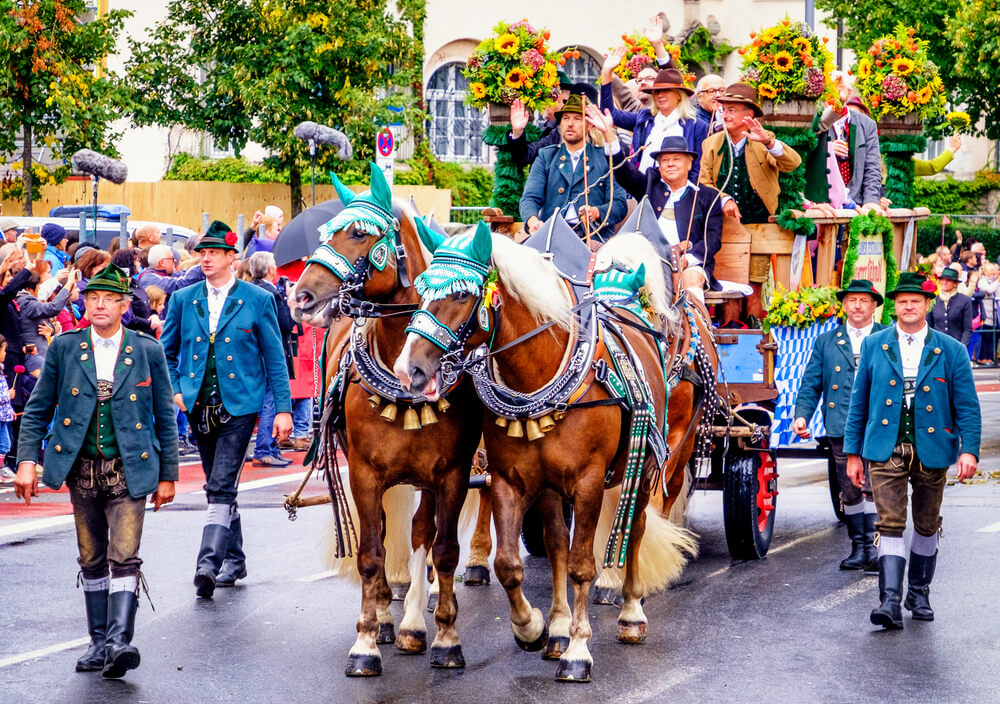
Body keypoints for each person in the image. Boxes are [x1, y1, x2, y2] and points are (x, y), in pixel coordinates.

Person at [13, 263, 177, 677]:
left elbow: (164, 415)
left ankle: (120, 642)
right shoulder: (67, 347)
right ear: (84, 303)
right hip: (79, 467)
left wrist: (168, 475)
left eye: (108, 300)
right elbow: (36, 411)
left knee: (124, 556)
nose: (99, 305)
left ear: (124, 305)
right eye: (92, 299)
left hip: (130, 468)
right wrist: (27, 462)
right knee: (91, 558)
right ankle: (98, 641)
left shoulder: (146, 349)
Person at [160, 221, 292, 597]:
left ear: (232, 258)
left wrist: (283, 409)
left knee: (219, 485)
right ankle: (235, 559)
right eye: (202, 252)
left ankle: (208, 564)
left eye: (214, 253)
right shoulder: (184, 299)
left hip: (241, 405)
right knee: (220, 486)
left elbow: (275, 359)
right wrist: (177, 392)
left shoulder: (257, 299)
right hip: (198, 404)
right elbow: (165, 353)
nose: (205, 258)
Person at [844, 271, 980, 629]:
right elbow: (859, 402)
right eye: (902, 301)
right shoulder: (875, 345)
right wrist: (853, 453)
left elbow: (967, 405)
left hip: (932, 448)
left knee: (926, 524)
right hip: (884, 447)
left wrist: (970, 450)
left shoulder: (951, 350)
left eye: (915, 301)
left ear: (926, 305)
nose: (908, 306)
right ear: (894, 306)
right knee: (889, 523)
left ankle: (918, 592)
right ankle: (889, 602)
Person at [793, 280, 886, 571]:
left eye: (863, 300)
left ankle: (877, 548)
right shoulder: (827, 340)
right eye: (851, 300)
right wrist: (802, 416)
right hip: (841, 427)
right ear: (844, 305)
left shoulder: (889, 336)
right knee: (850, 489)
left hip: (881, 426)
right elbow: (811, 382)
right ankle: (859, 547)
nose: (857, 306)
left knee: (877, 487)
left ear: (874, 305)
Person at [588, 106, 723, 298]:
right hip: (648, 260)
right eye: (664, 160)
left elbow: (712, 240)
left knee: (692, 279)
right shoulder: (649, 185)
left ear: (689, 164)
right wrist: (609, 136)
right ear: (658, 166)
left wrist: (687, 260)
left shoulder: (707, 196)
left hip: (689, 263)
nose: (669, 164)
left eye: (676, 159)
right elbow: (623, 172)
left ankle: (694, 327)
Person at [519, 94, 628, 244]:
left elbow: (619, 205)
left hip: (591, 238)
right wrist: (533, 221)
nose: (570, 124)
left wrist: (596, 212)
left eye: (577, 119)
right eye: (566, 118)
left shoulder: (605, 158)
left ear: (589, 124)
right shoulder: (546, 156)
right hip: (551, 236)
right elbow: (529, 198)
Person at [699, 82, 802, 224]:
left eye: (732, 110)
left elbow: (792, 163)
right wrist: (723, 199)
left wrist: (768, 142)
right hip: (724, 224)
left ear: (749, 114)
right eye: (724, 110)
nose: (726, 115)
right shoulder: (711, 143)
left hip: (762, 223)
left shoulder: (763, 139)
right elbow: (704, 182)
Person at [599, 54, 707, 181]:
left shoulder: (697, 126)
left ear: (679, 95)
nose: (660, 95)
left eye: (666, 91)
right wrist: (606, 75)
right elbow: (609, 114)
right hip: (642, 192)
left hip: (679, 195)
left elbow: (697, 171)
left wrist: (684, 198)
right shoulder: (644, 119)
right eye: (656, 91)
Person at [247, 251, 295, 467]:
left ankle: (269, 448)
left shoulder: (250, 290)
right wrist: (290, 303)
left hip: (252, 354)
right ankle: (265, 448)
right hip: (270, 354)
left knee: (264, 401)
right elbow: (285, 324)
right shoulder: (272, 294)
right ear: (270, 270)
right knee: (270, 401)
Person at [15, 267, 79, 360]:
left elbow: (43, 324)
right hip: (35, 356)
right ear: (29, 289)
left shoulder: (26, 302)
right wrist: (69, 283)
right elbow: (53, 308)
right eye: (38, 286)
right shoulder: (26, 303)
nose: (40, 289)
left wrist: (52, 329)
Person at [927, 266, 973, 347]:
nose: (944, 282)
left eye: (948, 280)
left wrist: (962, 347)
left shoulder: (965, 300)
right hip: (937, 345)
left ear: (955, 283)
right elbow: (929, 326)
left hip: (957, 345)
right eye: (942, 280)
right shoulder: (933, 300)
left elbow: (967, 329)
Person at [976, 261, 1000, 366]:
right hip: (986, 313)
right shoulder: (982, 281)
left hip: (996, 313)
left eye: (995, 270)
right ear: (985, 272)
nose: (994, 272)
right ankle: (983, 357)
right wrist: (998, 280)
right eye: (991, 270)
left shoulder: (996, 282)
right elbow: (990, 290)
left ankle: (991, 357)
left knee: (994, 337)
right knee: (986, 336)